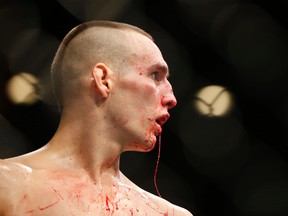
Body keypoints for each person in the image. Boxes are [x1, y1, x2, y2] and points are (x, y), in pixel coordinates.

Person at [0, 20, 193, 216]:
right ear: (103, 80)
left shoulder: (168, 214)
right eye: (155, 75)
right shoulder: (6, 186)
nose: (172, 98)